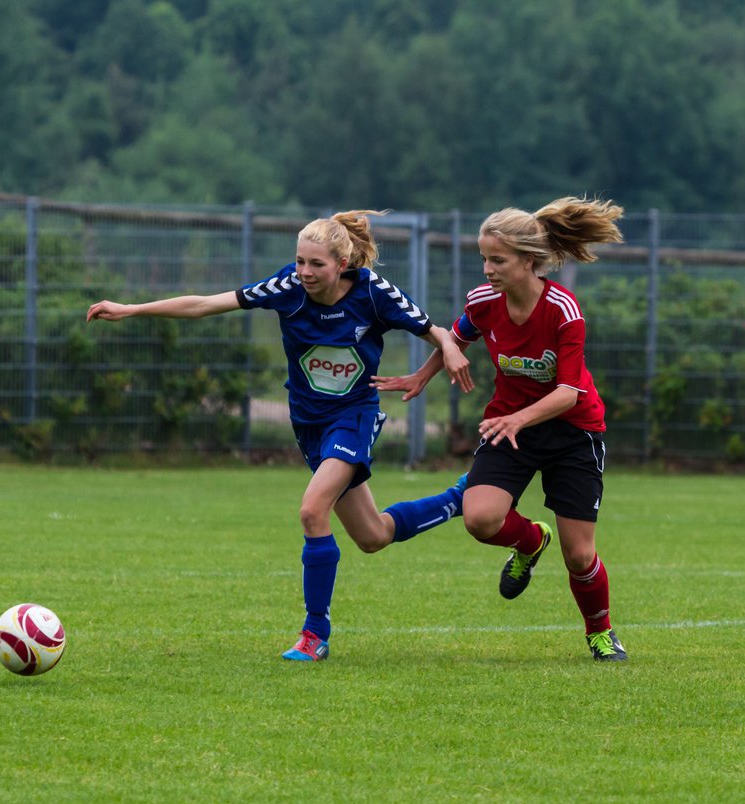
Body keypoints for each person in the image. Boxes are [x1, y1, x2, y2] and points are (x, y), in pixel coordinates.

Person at [86, 210, 473, 662]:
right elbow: (205, 304)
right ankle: (457, 499)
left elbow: (436, 331)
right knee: (372, 536)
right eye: (299, 262)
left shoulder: (372, 292)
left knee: (312, 511)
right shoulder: (287, 288)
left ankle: (315, 634)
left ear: (343, 263)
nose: (305, 273)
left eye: (316, 264)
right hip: (308, 423)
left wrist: (447, 348)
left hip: (354, 415)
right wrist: (132, 309)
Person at [373, 197, 628, 661]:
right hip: (512, 428)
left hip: (573, 432)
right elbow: (454, 338)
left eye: (498, 259)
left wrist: (518, 417)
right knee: (480, 518)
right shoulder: (484, 301)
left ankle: (600, 631)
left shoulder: (563, 310)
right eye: (484, 258)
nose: (488, 269)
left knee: (580, 556)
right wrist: (420, 376)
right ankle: (531, 541)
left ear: (529, 261)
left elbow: (569, 392)